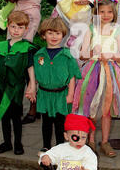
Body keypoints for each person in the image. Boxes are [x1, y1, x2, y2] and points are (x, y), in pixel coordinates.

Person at [72, 0, 120, 157]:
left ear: (114, 13)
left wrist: (110, 54)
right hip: (93, 71)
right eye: (101, 12)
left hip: (111, 71)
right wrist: (93, 52)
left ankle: (105, 141)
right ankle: (90, 140)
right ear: (96, 13)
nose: (105, 15)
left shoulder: (117, 30)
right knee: (92, 106)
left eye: (109, 12)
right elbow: (83, 54)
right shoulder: (91, 29)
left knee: (106, 108)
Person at [6, 0, 49, 124]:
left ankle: (32, 106)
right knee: (14, 58)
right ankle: (20, 103)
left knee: (24, 60)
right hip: (18, 14)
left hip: (29, 16)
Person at [30, 17, 82, 151]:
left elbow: (72, 77)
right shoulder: (39, 55)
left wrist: (70, 94)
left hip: (61, 95)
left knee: (60, 123)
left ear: (63, 35)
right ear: (43, 35)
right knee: (46, 122)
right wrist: (31, 89)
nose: (54, 36)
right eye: (50, 33)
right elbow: (34, 75)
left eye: (58, 33)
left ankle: (61, 147)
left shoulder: (67, 55)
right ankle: (46, 146)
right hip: (44, 94)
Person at [0, 11, 36, 155]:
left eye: (20, 27)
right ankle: (7, 142)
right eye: (13, 27)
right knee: (4, 115)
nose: (16, 31)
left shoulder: (27, 48)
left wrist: (32, 86)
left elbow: (30, 69)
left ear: (26, 29)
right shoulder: (0, 46)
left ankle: (17, 143)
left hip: (16, 87)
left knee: (16, 116)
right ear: (8, 27)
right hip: (2, 86)